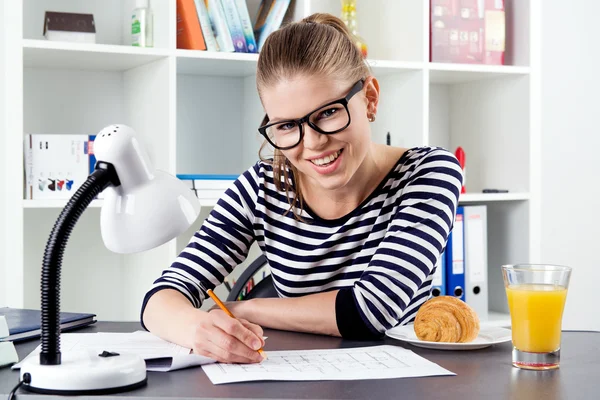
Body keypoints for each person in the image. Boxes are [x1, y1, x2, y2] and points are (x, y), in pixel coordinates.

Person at [141, 13, 463, 365]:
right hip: (298, 377)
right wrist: (197, 329)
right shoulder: (260, 188)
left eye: (327, 113)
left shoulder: (428, 172)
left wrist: (243, 308)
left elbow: (370, 311)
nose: (312, 143)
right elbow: (159, 299)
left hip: (405, 379)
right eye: (286, 126)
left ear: (369, 98)